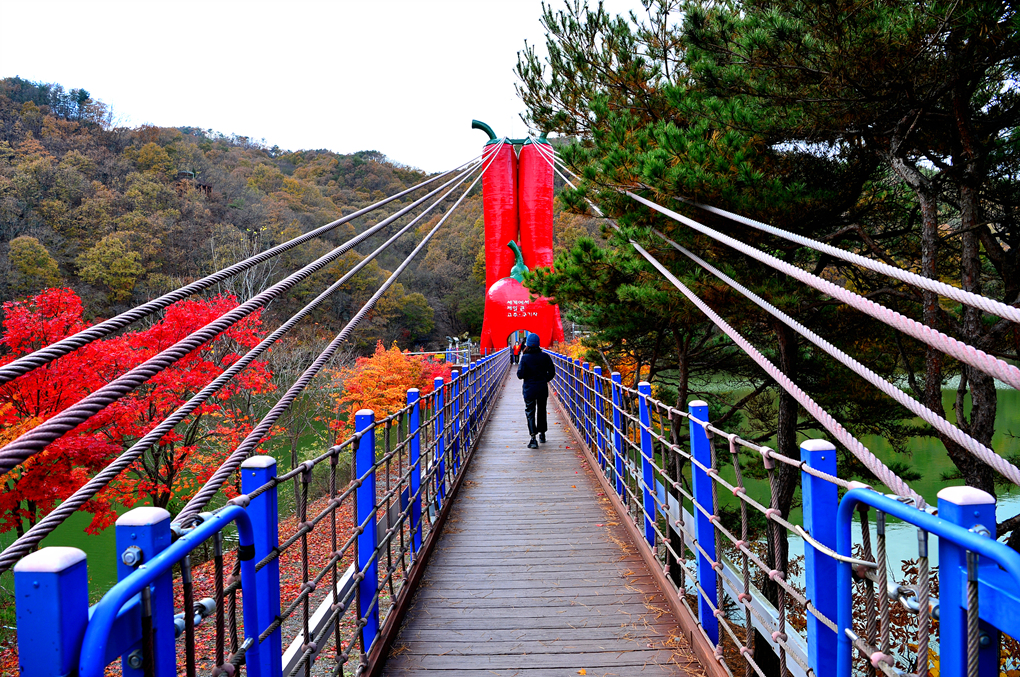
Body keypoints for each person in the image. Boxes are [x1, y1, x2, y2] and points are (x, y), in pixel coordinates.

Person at [516, 332, 555, 448]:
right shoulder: (545, 357)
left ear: (527, 344)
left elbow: (520, 375)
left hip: (529, 389)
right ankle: (542, 434)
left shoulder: (525, 358)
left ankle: (533, 438)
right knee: (542, 410)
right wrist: (544, 379)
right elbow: (552, 372)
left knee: (530, 411)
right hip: (542, 388)